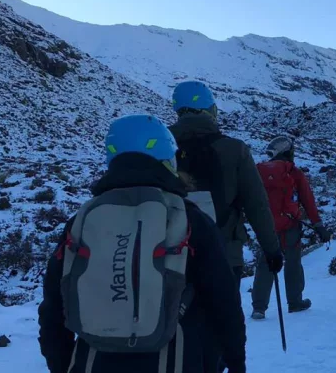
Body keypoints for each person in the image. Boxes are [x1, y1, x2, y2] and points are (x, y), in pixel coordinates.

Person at [37, 114, 246, 373]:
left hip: (93, 361)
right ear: (166, 157)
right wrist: (235, 362)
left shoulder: (81, 220)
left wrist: (62, 365)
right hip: (177, 360)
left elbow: (54, 308)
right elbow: (224, 304)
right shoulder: (190, 218)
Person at [168, 80, 282, 371]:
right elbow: (257, 206)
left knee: (170, 325)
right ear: (211, 110)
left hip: (167, 254)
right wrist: (272, 250)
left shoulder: (162, 148)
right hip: (224, 255)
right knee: (220, 327)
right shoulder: (235, 150)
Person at [251, 136, 331, 318]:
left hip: (266, 226)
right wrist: (318, 226)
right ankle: (294, 302)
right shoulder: (294, 172)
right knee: (293, 263)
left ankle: (259, 308)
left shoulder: (258, 171)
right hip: (290, 225)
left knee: (264, 263)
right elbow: (308, 201)